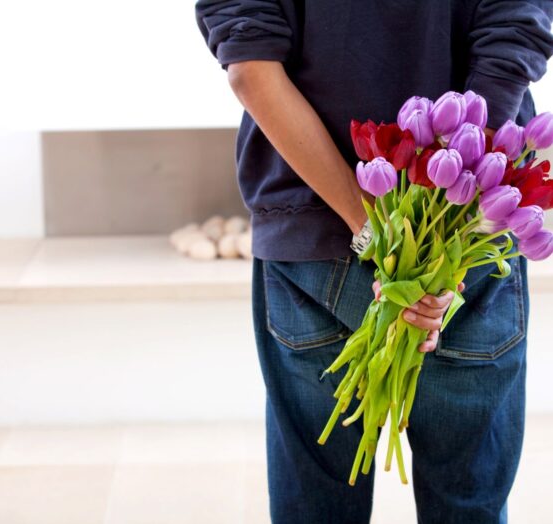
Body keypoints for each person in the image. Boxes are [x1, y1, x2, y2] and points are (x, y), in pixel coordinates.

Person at [195, 1, 553, 523]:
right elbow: (512, 41)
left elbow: (251, 66)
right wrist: (430, 247)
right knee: (467, 503)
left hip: (312, 236)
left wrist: (376, 234)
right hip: (467, 234)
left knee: (316, 507)